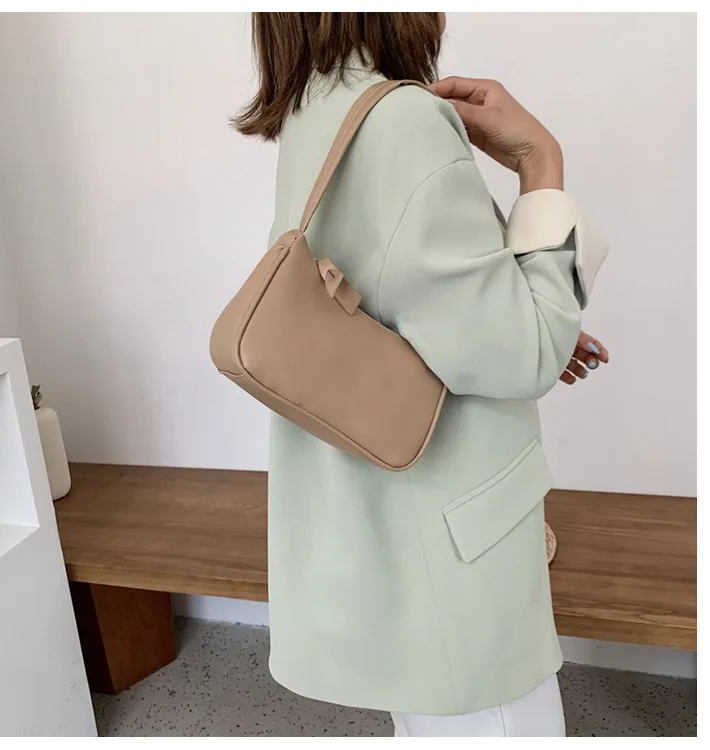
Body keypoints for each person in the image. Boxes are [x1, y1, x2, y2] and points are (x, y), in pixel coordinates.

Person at [233, 12, 609, 737]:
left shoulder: (318, 107)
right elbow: (525, 354)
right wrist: (541, 160)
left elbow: (394, 292)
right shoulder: (401, 120)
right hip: (454, 540)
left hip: (396, 528)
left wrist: (517, 313)